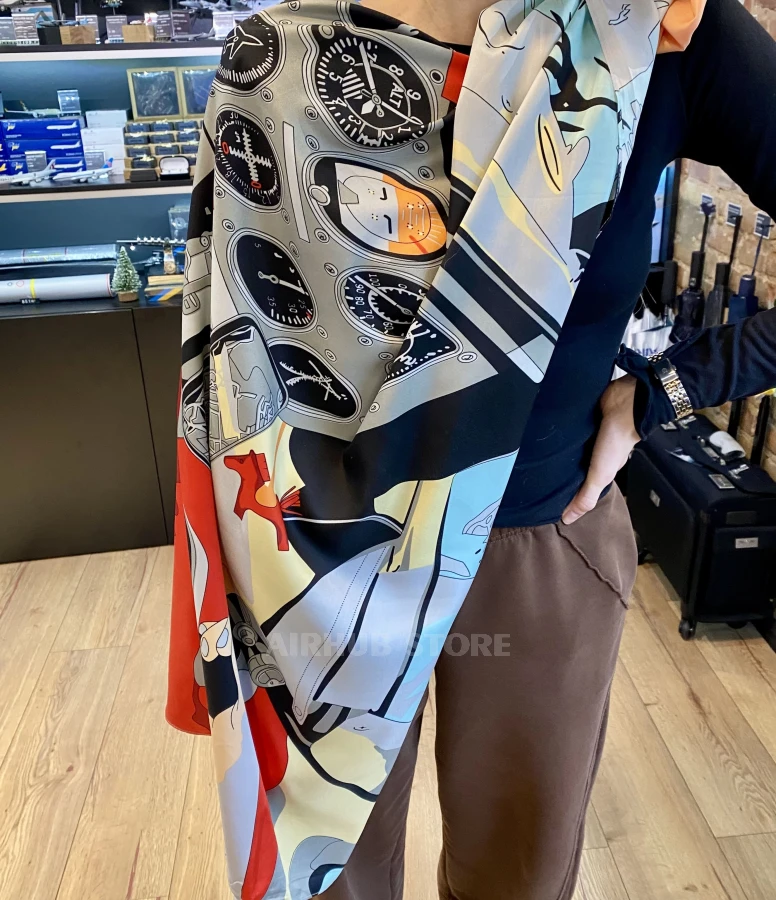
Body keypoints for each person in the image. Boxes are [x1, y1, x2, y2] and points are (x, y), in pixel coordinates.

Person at [166, 1, 776, 899]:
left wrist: (662, 394)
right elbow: (224, 351)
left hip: (535, 541)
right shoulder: (277, 55)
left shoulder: (656, 29)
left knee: (516, 870)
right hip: (312, 552)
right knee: (330, 876)